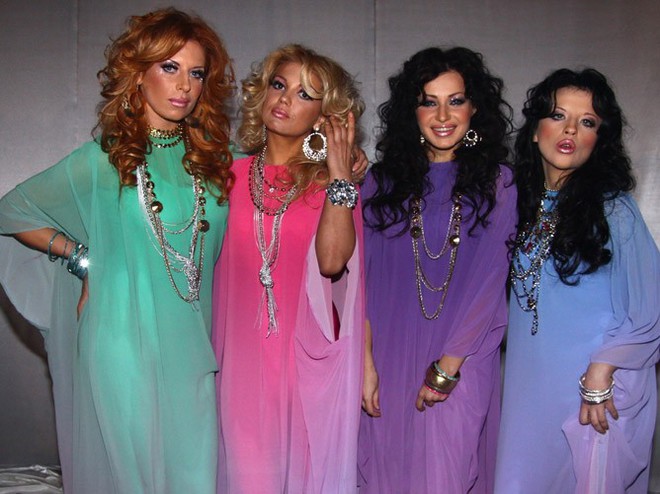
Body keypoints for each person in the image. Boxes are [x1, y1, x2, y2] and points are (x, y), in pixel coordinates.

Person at [0, 8, 234, 493]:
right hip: (121, 340)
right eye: (169, 67)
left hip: (192, 345)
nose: (184, 85)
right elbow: (12, 211)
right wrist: (83, 261)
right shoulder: (104, 160)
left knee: (194, 475)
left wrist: (329, 164)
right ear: (139, 73)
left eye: (196, 73)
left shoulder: (211, 162)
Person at [358, 47, 517, 493]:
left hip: (463, 359)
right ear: (412, 112)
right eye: (429, 102)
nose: (443, 115)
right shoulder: (379, 184)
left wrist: (446, 370)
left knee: (449, 472)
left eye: (455, 100)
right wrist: (364, 364)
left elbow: (490, 284)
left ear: (474, 108)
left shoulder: (498, 184)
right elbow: (361, 284)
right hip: (388, 359)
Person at [495, 69, 660, 493]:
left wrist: (602, 371)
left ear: (598, 139)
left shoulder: (614, 209)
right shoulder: (517, 206)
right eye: (558, 115)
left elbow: (651, 307)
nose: (570, 129)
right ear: (535, 131)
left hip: (591, 390)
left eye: (587, 121)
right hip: (527, 388)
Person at [212, 44, 365, 493]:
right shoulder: (224, 175)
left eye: (304, 94)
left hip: (302, 368)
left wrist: (340, 177)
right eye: (279, 85)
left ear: (324, 116)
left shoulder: (335, 187)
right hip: (235, 361)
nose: (284, 99)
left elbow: (332, 262)